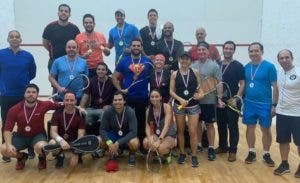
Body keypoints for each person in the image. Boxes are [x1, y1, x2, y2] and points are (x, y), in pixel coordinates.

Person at [0, 84, 63, 170]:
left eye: (34, 92)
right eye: (28, 92)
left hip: (38, 135)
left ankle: (41, 158)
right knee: (4, 149)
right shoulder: (14, 109)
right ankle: (21, 157)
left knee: (42, 147)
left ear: (37, 94)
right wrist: (8, 144)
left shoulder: (44, 104)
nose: (31, 94)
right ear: (24, 94)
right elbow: (7, 129)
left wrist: (78, 107)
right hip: (20, 136)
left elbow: (63, 105)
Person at [0, 30, 36, 162]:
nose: (14, 39)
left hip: (23, 95)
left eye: (17, 37)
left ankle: (31, 148)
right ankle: (7, 151)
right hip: (6, 95)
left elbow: (32, 73)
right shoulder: (1, 54)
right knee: (6, 122)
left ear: (21, 39)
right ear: (8, 39)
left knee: (28, 121)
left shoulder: (28, 56)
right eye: (12, 37)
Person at [112, 38, 153, 153]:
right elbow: (114, 77)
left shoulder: (147, 62)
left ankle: (140, 145)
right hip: (128, 97)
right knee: (126, 122)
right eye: (134, 45)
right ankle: (126, 145)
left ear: (141, 47)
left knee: (141, 122)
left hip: (143, 97)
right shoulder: (124, 61)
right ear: (130, 47)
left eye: (138, 46)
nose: (136, 47)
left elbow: (153, 78)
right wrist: (120, 90)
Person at [243, 42, 278, 167]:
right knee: (250, 128)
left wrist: (274, 105)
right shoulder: (246, 67)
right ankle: (251, 151)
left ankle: (266, 153)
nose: (253, 53)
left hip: (265, 104)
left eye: (256, 51)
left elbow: (275, 86)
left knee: (265, 129)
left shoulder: (269, 67)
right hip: (249, 103)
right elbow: (244, 85)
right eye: (251, 51)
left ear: (262, 52)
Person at [190, 41, 223, 161]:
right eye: (199, 50)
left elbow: (219, 83)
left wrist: (219, 98)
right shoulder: (192, 66)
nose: (201, 52)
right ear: (196, 52)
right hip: (196, 102)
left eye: (204, 50)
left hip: (209, 101)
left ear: (208, 51)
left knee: (209, 124)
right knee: (197, 124)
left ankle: (210, 147)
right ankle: (198, 144)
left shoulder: (214, 66)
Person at [170, 51, 202, 167]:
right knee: (180, 131)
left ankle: (194, 155)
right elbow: (171, 91)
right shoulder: (174, 74)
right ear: (179, 60)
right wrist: (181, 100)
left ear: (190, 61)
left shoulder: (196, 72)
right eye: (182, 59)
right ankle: (182, 153)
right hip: (179, 106)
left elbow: (200, 89)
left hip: (193, 106)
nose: (184, 61)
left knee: (193, 131)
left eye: (187, 59)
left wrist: (201, 94)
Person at [215, 41, 245, 162]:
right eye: (226, 48)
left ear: (234, 50)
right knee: (221, 125)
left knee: (232, 126)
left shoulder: (238, 65)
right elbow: (215, 82)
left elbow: (242, 83)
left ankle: (232, 151)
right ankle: (223, 146)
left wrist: (237, 98)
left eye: (230, 49)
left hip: (233, 100)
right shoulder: (217, 64)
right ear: (223, 49)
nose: (228, 50)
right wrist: (218, 97)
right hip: (220, 100)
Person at [273, 49, 300, 177]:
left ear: (292, 58)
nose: (284, 60)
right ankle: (284, 164)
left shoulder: (299, 72)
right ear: (278, 60)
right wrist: (274, 106)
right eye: (281, 58)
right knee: (283, 140)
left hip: (297, 114)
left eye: (286, 57)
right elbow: (277, 90)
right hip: (282, 113)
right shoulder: (279, 73)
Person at [99, 91, 140, 169]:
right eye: (115, 100)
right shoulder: (108, 111)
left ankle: (131, 154)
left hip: (126, 136)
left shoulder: (130, 111)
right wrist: (109, 143)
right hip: (114, 135)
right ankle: (112, 153)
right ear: (112, 101)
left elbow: (134, 132)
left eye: (120, 100)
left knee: (134, 143)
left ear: (124, 101)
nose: (117, 102)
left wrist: (118, 143)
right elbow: (102, 130)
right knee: (100, 140)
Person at [49, 92, 86, 168]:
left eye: (71, 100)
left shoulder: (81, 114)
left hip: (74, 142)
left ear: (75, 101)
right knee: (52, 143)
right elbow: (53, 132)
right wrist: (61, 140)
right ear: (63, 101)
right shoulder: (57, 113)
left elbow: (81, 135)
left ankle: (75, 154)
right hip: (61, 141)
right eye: (67, 100)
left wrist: (76, 148)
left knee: (73, 164)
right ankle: (60, 155)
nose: (69, 102)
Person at [80, 63, 116, 136]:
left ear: (106, 71)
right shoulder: (91, 81)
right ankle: (89, 138)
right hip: (93, 108)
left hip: (106, 109)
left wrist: (111, 106)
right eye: (98, 69)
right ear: (96, 71)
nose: (100, 71)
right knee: (86, 118)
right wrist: (81, 108)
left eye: (103, 70)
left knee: (104, 116)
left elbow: (117, 97)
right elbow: (85, 96)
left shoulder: (112, 81)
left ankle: (102, 138)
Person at [42, 3, 80, 71]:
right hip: (54, 61)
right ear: (58, 13)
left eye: (66, 11)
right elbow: (45, 43)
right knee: (53, 80)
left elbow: (78, 45)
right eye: (61, 11)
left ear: (69, 14)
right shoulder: (50, 27)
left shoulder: (74, 28)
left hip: (71, 61)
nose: (63, 13)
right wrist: (52, 50)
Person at [143, 89, 176, 163]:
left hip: (168, 135)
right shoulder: (148, 110)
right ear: (150, 98)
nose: (154, 98)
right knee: (146, 142)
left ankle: (167, 154)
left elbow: (166, 126)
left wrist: (159, 141)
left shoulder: (166, 107)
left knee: (161, 148)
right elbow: (147, 127)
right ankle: (156, 154)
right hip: (157, 135)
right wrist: (150, 138)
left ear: (161, 97)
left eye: (156, 96)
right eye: (152, 97)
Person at [75, 13, 110, 78]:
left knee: (111, 80)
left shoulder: (101, 36)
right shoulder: (78, 37)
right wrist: (83, 57)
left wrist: (107, 51)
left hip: (99, 68)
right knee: (88, 87)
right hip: (86, 68)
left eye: (90, 22)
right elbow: (75, 56)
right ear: (83, 24)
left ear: (94, 24)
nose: (88, 24)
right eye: (86, 23)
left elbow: (107, 54)